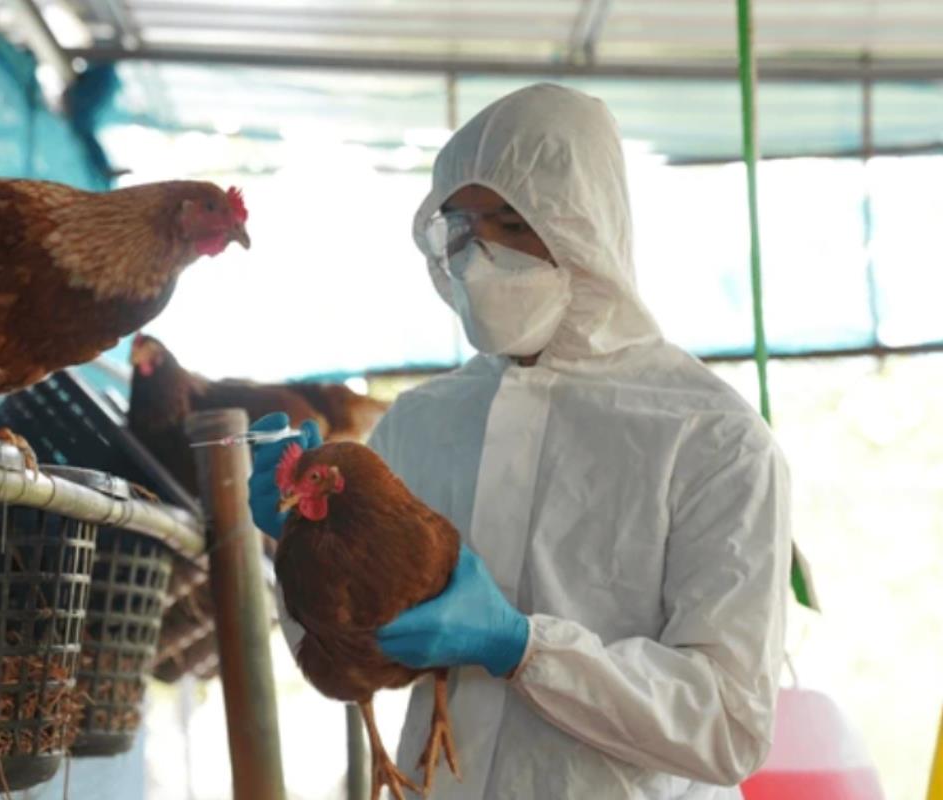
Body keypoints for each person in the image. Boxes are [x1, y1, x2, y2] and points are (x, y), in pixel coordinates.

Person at [248, 83, 791, 799]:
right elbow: (351, 655)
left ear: (585, 223)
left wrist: (524, 649)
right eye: (463, 227)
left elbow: (727, 726)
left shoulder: (713, 439)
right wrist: (300, 548)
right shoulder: (420, 423)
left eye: (512, 220)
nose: (481, 254)